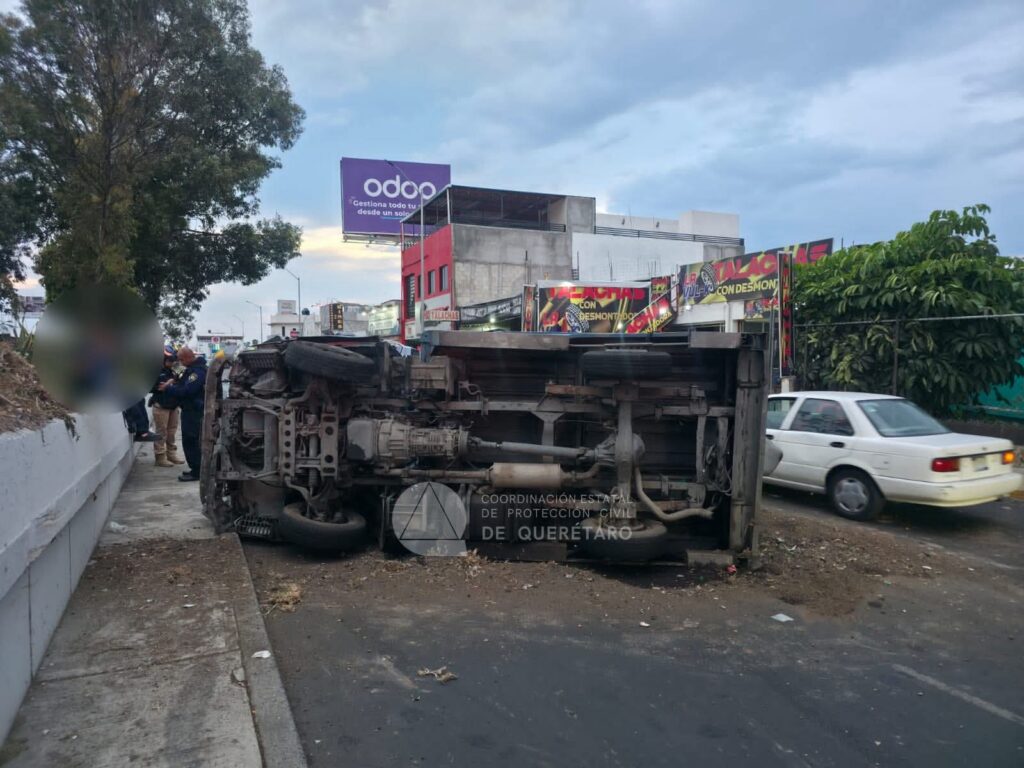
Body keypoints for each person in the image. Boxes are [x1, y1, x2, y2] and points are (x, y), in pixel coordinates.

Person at [159, 346, 207, 482]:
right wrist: (172, 381)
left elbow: (187, 391)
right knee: (188, 441)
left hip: (194, 412)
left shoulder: (197, 372)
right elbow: (179, 376)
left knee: (192, 441)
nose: (179, 362)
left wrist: (168, 388)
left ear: (187, 358)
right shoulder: (191, 369)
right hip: (190, 410)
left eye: (181, 359)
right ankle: (195, 469)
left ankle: (197, 471)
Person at [149, 346, 184, 467]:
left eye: (173, 360)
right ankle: (160, 456)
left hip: (173, 405)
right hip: (161, 405)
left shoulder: (176, 368)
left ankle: (171, 454)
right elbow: (156, 387)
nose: (172, 362)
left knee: (172, 432)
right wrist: (171, 382)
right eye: (169, 360)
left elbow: (185, 378)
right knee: (161, 432)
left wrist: (170, 383)